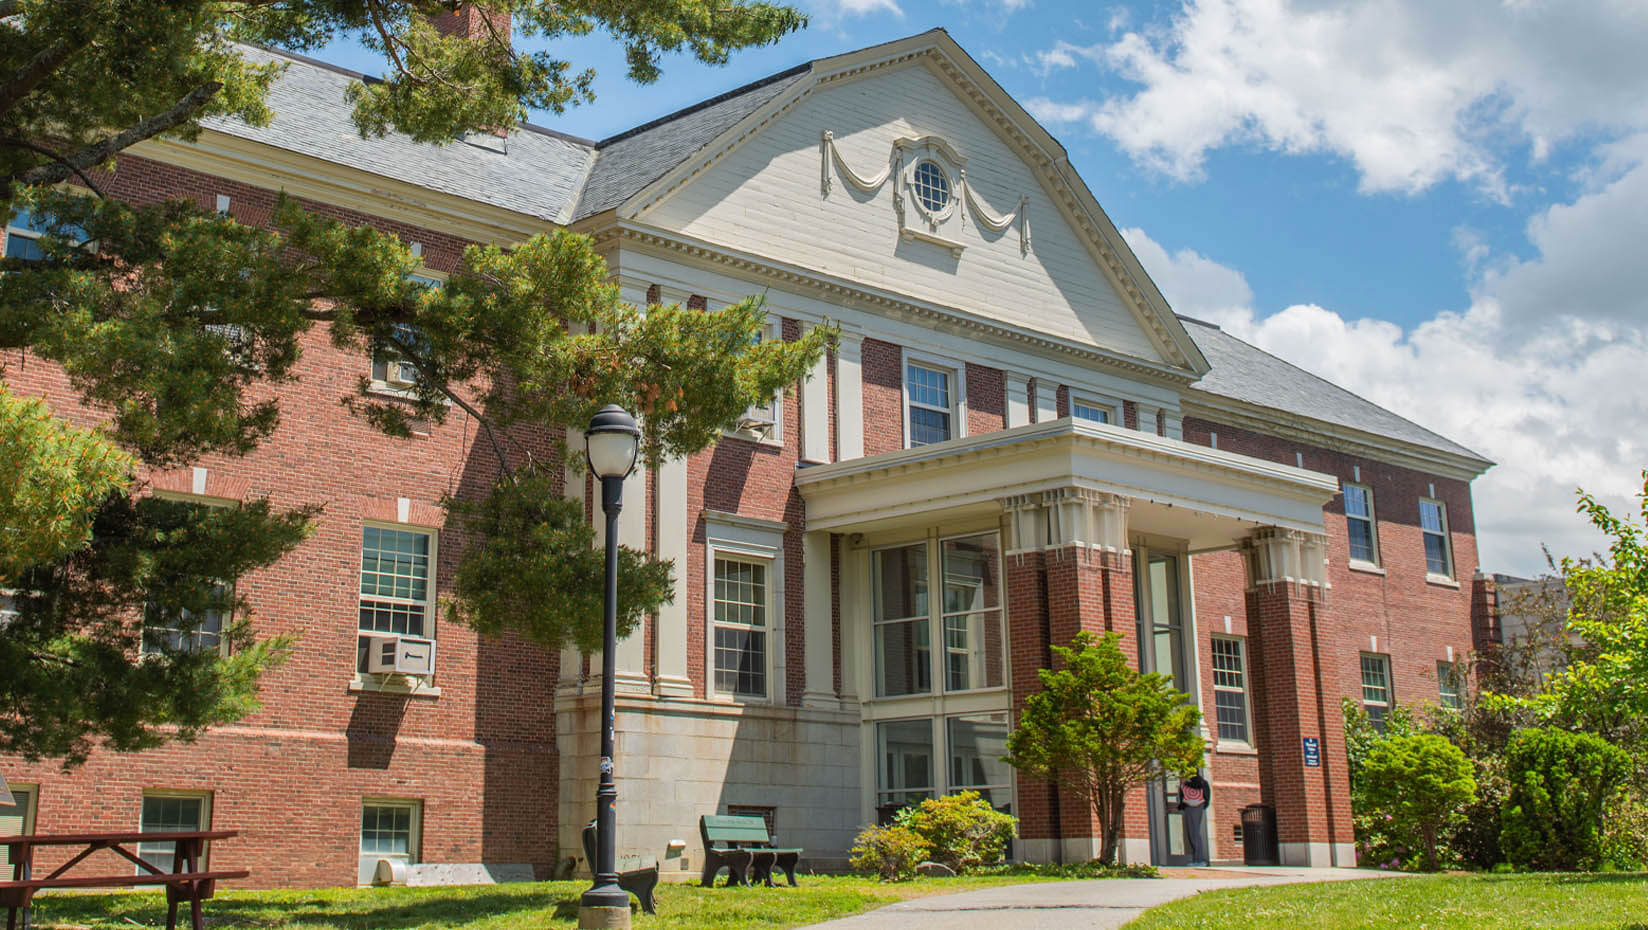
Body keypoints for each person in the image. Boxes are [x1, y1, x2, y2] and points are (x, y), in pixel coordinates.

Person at [1178, 770, 1211, 866]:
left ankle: (1198, 859)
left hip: (1191, 808)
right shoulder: (1203, 783)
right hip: (1198, 807)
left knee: (1193, 834)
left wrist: (1182, 807)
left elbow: (1182, 798)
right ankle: (1197, 859)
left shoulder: (1186, 785)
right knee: (1194, 833)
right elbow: (1207, 797)